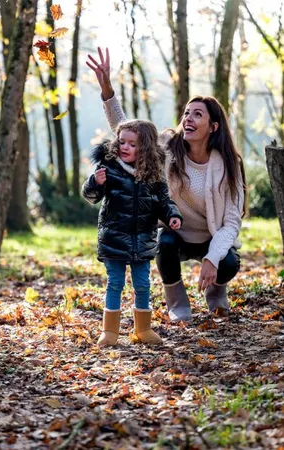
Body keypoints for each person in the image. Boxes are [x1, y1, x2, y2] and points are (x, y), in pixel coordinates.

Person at [86, 48, 246, 322]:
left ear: (213, 127)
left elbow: (231, 223)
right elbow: (127, 130)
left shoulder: (229, 166)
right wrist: (108, 91)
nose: (188, 118)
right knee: (164, 243)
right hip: (177, 234)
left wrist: (212, 259)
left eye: (197, 114)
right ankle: (177, 301)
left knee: (229, 263)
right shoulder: (167, 149)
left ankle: (217, 292)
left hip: (210, 237)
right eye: (187, 113)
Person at [82, 119, 182, 346]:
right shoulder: (108, 169)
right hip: (114, 238)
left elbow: (164, 201)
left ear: (145, 148)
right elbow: (91, 196)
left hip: (143, 239)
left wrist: (173, 216)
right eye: (122, 142)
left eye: (132, 144)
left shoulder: (154, 174)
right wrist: (94, 183)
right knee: (115, 282)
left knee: (142, 284)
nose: (125, 147)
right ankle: (109, 331)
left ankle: (143, 329)